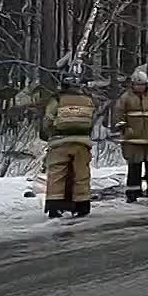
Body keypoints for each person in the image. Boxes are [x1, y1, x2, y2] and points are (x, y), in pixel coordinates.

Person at [40, 72, 95, 217]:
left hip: (60, 141)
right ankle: (82, 204)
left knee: (57, 173)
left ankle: (55, 205)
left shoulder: (57, 99)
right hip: (82, 142)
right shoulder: (88, 100)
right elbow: (91, 120)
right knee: (81, 174)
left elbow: (48, 120)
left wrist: (47, 134)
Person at [113, 69, 148, 202]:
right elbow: (118, 114)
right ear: (132, 85)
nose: (140, 87)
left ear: (147, 85)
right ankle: (133, 193)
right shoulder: (125, 98)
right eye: (137, 84)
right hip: (133, 140)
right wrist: (123, 128)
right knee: (134, 167)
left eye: (142, 84)